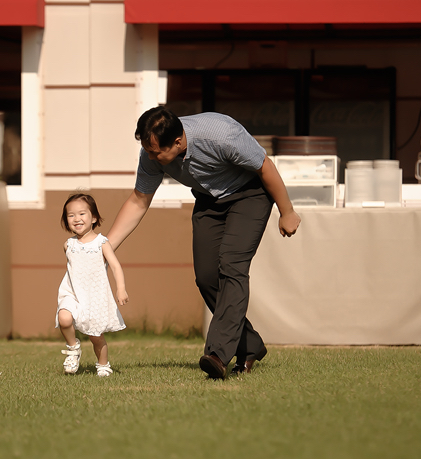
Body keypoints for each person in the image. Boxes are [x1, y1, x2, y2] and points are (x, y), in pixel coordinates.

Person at [106, 107, 301, 379]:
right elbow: (139, 200)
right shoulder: (152, 153)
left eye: (155, 153)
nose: (150, 157)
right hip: (209, 201)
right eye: (147, 151)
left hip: (249, 194)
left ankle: (218, 355)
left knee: (232, 265)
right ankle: (250, 345)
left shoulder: (221, 135)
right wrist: (105, 247)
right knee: (207, 277)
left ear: (178, 142)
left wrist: (287, 210)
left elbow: (264, 166)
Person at [56, 193, 129, 377]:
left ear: (94, 217)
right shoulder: (68, 245)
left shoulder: (101, 243)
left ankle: (103, 364)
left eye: (82, 214)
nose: (76, 219)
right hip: (72, 293)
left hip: (93, 297)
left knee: (96, 337)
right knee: (64, 318)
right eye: (71, 215)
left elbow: (115, 266)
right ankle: (73, 348)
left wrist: (121, 288)